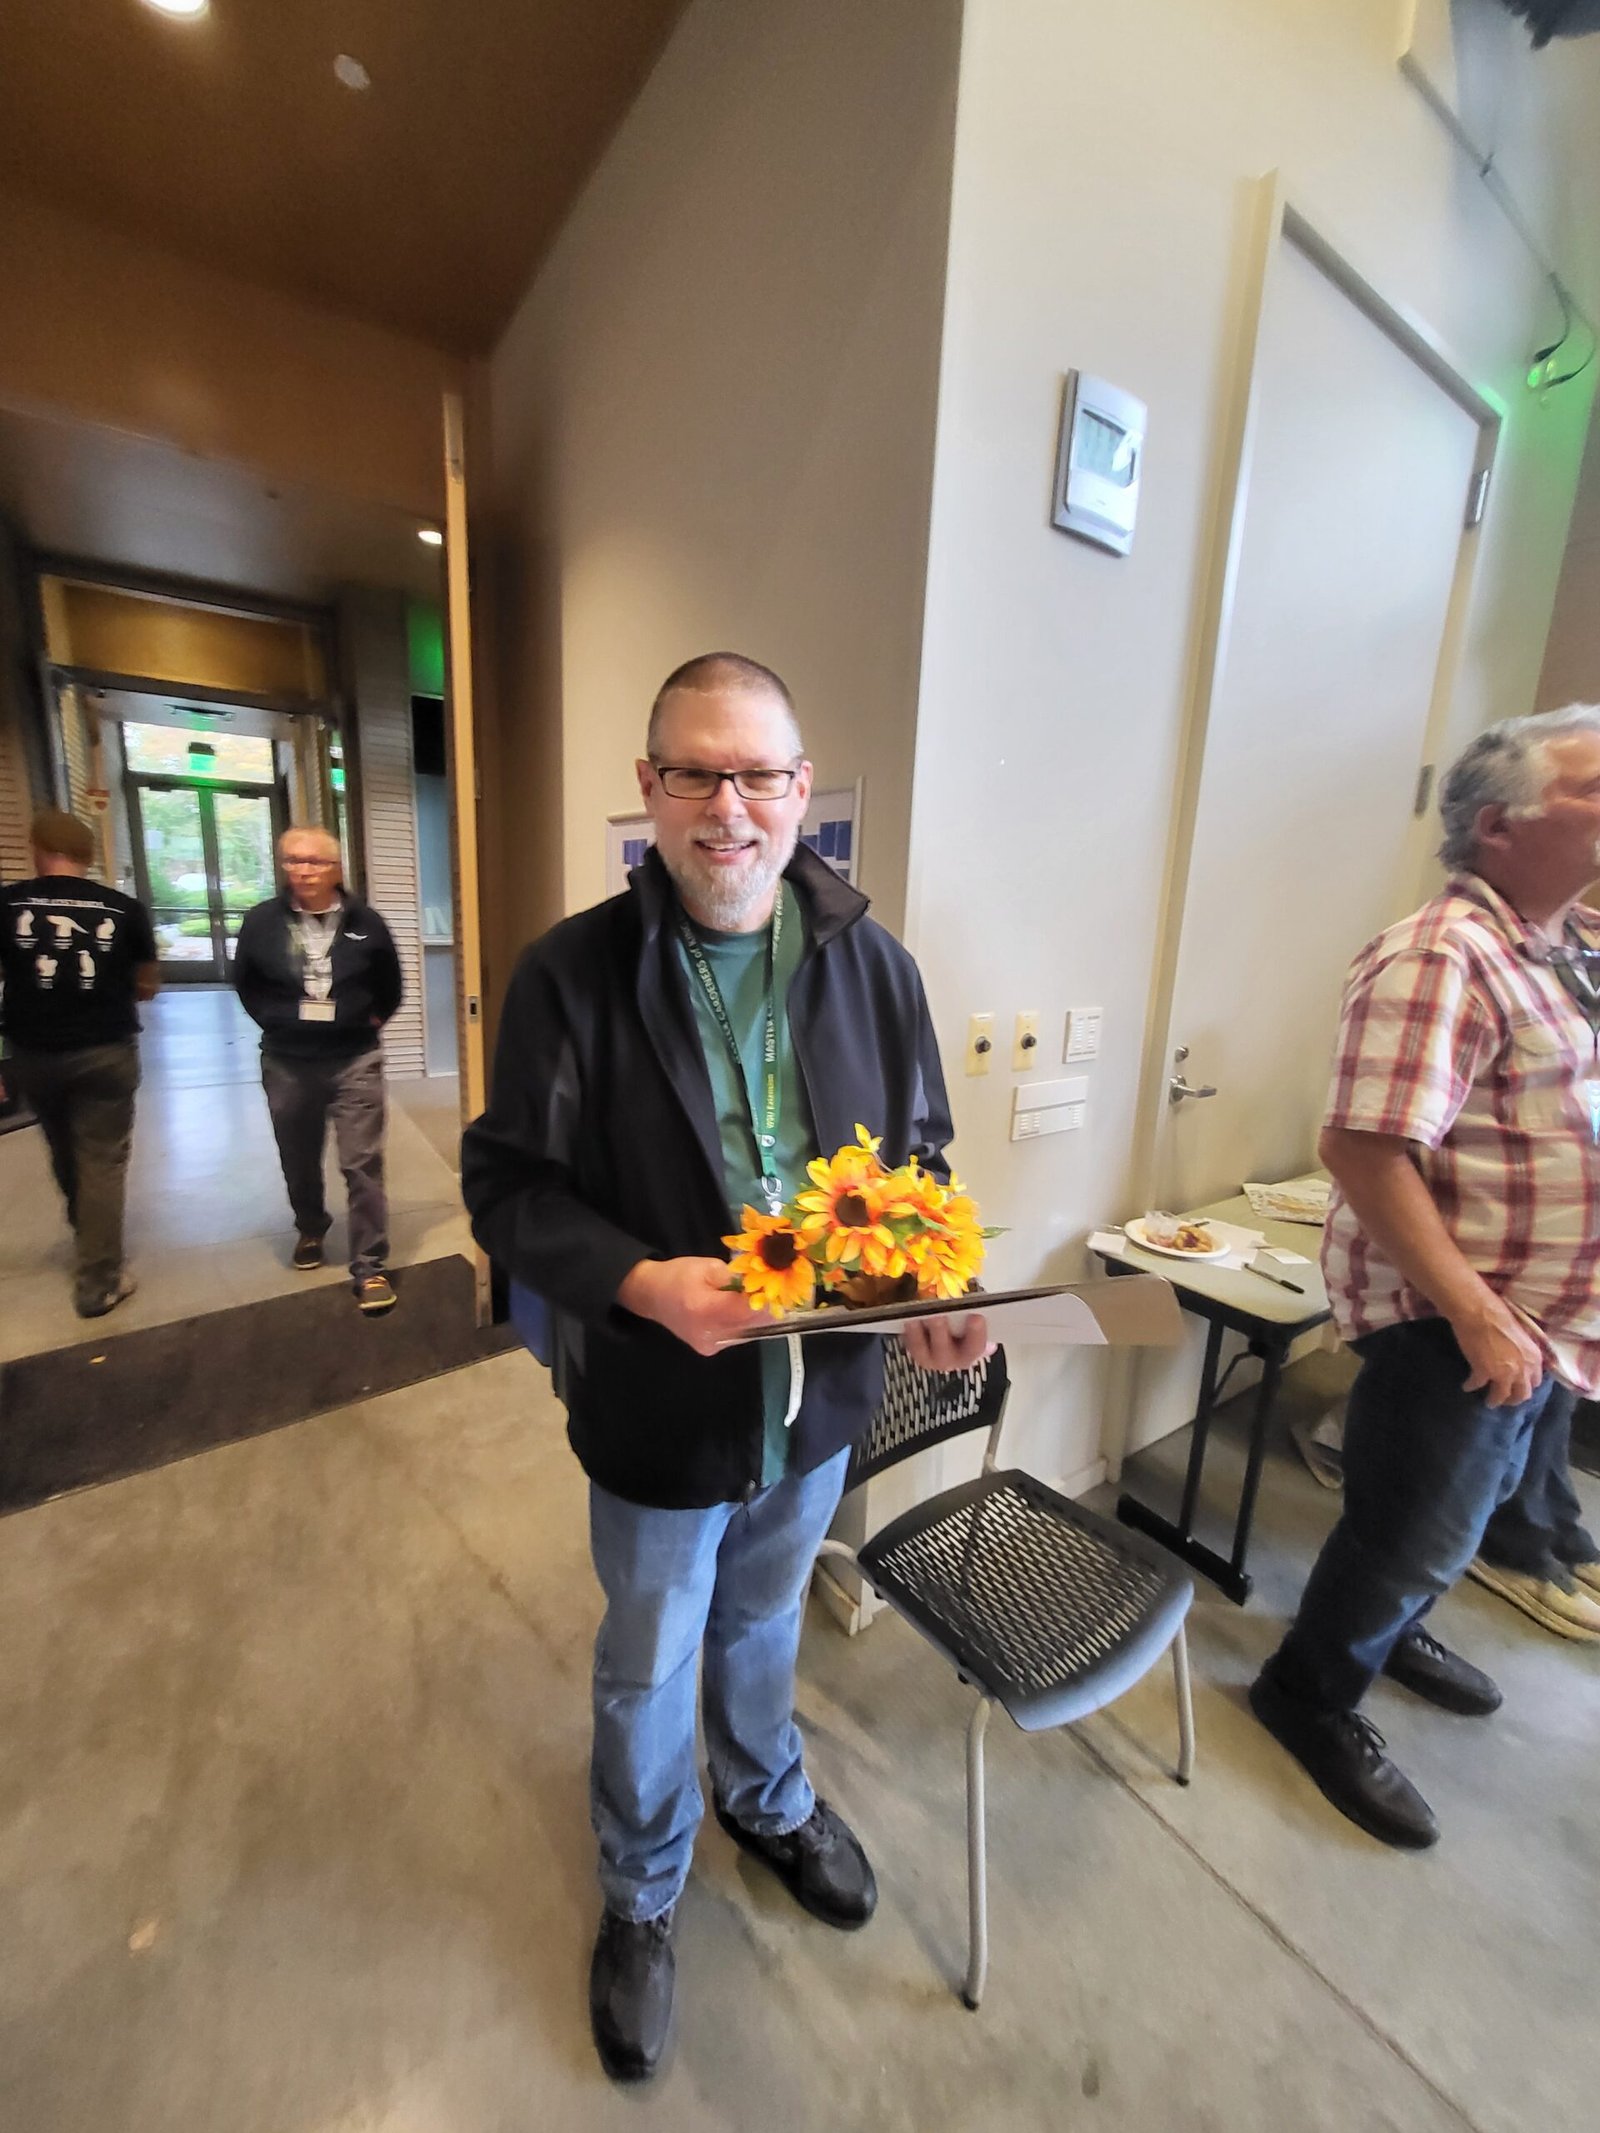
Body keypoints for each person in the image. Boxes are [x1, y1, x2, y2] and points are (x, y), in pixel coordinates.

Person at [461, 652, 988, 2083]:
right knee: (648, 1660)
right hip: (659, 1403)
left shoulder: (874, 968)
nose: (728, 807)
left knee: (763, 1623)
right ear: (649, 789)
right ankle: (641, 1890)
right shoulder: (570, 976)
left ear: (803, 791)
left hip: (815, 1410)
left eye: (759, 774)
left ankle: (765, 1798)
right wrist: (638, 1281)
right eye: (694, 771)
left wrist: (932, 1283)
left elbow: (920, 1166)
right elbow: (506, 1189)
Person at [1251, 703, 1600, 1850]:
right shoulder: (1439, 955)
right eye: (1592, 794)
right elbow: (1361, 1148)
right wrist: (1478, 1315)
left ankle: (1389, 1631)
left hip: (1536, 1321)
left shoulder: (1550, 948)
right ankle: (1309, 1692)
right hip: (1455, 1324)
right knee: (1411, 1528)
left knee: (1459, 1515)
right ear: (1499, 826)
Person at [232, 824, 403, 1315]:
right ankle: (311, 1225)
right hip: (288, 1060)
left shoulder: (366, 922)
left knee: (362, 1163)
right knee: (298, 1155)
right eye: (292, 861)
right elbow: (245, 982)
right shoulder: (262, 922)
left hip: (355, 1058)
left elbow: (389, 985)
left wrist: (364, 1023)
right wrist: (276, 1021)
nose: (303, 871)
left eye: (315, 862)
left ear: (337, 868)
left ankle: (370, 1265)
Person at [0, 808, 157, 1317]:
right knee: (103, 1161)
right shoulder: (125, 908)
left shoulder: (7, 903)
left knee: (63, 1149)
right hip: (105, 1051)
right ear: (89, 857)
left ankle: (87, 1232)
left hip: (33, 1053)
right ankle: (99, 1281)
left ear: (37, 850)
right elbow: (148, 985)